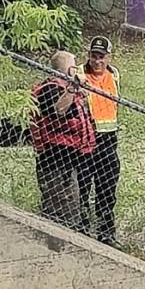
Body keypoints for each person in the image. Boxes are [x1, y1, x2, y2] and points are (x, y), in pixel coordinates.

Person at [29, 50, 95, 229]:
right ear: (67, 69)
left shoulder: (69, 89)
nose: (77, 70)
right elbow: (58, 111)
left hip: (72, 161)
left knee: (73, 207)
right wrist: (73, 87)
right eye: (73, 66)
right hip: (54, 162)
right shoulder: (50, 88)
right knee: (58, 211)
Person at [81, 36, 122, 245]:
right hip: (87, 138)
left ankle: (106, 232)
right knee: (83, 186)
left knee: (107, 188)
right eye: (94, 56)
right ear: (88, 56)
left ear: (109, 58)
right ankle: (82, 227)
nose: (97, 61)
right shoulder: (79, 74)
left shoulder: (114, 75)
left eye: (102, 57)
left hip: (109, 138)